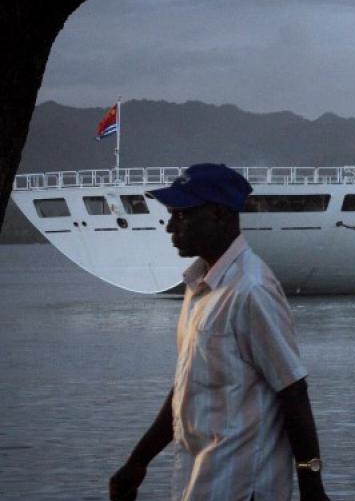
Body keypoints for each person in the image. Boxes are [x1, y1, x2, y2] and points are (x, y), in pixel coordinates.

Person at [109, 164, 330, 501]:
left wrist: (312, 487)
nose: (170, 226)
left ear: (221, 216)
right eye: (172, 215)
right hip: (201, 480)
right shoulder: (199, 286)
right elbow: (188, 388)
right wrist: (139, 461)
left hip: (244, 485)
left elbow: (293, 390)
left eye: (182, 215)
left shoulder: (250, 290)